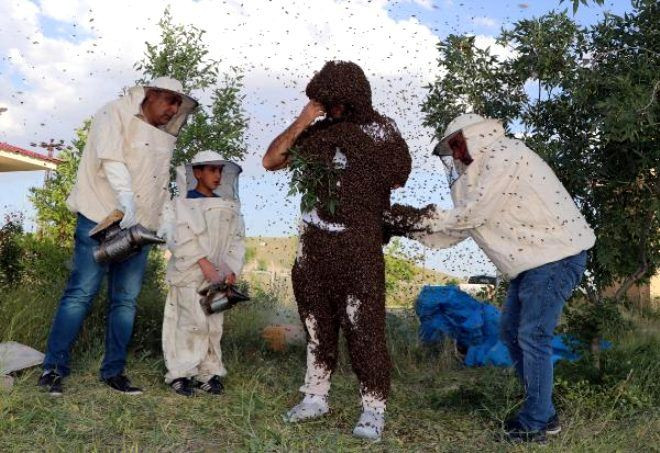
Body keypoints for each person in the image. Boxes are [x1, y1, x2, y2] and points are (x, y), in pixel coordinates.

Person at [388, 113, 596, 443]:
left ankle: (534, 424)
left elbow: (472, 213)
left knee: (533, 335)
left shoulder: (505, 155)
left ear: (474, 136)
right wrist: (405, 229)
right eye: (451, 149)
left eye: (456, 145)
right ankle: (544, 412)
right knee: (510, 332)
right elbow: (459, 228)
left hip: (555, 256)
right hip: (531, 263)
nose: (455, 155)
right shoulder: (479, 176)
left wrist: (416, 218)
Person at [262, 61, 411, 441]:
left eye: (336, 101)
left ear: (355, 96)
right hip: (314, 246)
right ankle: (315, 398)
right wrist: (304, 119)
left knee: (365, 329)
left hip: (359, 245)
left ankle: (373, 409)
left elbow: (398, 174)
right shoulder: (316, 132)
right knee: (316, 326)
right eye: (324, 101)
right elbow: (272, 161)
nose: (331, 107)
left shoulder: (381, 129)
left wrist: (353, 143)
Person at [38, 77, 198, 396]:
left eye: (178, 105)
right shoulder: (113, 113)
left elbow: (158, 183)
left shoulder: (164, 136)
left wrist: (164, 219)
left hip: (140, 230)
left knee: (125, 301)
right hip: (101, 219)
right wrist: (126, 201)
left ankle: (114, 372)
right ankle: (53, 369)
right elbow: (111, 159)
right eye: (169, 101)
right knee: (81, 293)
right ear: (150, 95)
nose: (173, 110)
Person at [161, 150, 245, 397]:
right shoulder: (181, 204)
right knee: (188, 323)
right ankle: (180, 374)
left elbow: (237, 240)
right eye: (211, 169)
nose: (217, 175)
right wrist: (203, 262)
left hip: (218, 277)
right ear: (197, 172)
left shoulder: (229, 206)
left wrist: (231, 268)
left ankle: (208, 373)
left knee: (213, 324)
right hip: (189, 275)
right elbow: (177, 236)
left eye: (220, 170)